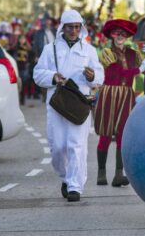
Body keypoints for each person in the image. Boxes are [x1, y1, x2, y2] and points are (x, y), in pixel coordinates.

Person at [33, 10, 104, 202]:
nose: (73, 30)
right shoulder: (51, 49)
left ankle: (75, 186)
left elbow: (99, 76)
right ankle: (66, 177)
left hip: (79, 103)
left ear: (81, 27)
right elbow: (37, 74)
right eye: (70, 26)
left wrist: (92, 77)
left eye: (76, 26)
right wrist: (52, 77)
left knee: (77, 145)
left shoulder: (89, 50)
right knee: (58, 146)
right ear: (62, 27)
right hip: (57, 103)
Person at [94, 19, 145, 187]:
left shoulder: (133, 54)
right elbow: (117, 73)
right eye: (116, 33)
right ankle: (101, 173)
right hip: (110, 93)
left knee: (122, 135)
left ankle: (119, 174)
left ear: (127, 36)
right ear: (111, 35)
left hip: (126, 95)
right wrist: (139, 69)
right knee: (105, 133)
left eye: (123, 34)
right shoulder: (106, 52)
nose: (120, 36)